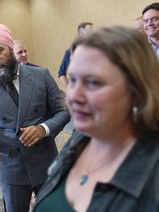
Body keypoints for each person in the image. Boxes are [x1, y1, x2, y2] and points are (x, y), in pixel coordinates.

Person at [34, 26, 159, 212]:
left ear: (136, 91)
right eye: (73, 80)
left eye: (93, 82)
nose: (74, 96)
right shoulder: (80, 140)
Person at [0, 23, 70, 212]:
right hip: (11, 171)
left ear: (10, 47)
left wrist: (44, 129)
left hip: (45, 163)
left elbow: (64, 111)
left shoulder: (41, 75)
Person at [58, 22, 93, 93]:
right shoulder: (70, 52)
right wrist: (69, 89)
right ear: (81, 33)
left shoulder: (98, 51)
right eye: (90, 31)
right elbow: (61, 73)